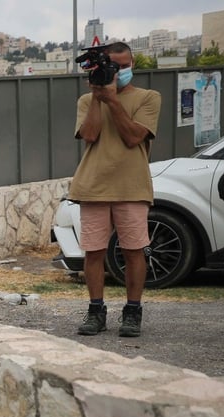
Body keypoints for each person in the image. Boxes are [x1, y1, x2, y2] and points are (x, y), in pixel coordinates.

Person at [69, 41, 161, 338]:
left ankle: (132, 312)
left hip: (132, 187)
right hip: (93, 186)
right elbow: (91, 135)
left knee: (134, 251)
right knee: (93, 252)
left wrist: (112, 101)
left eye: (123, 66)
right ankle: (96, 310)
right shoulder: (86, 101)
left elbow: (134, 137)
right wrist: (98, 97)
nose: (118, 72)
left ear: (132, 64)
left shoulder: (148, 97)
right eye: (112, 66)